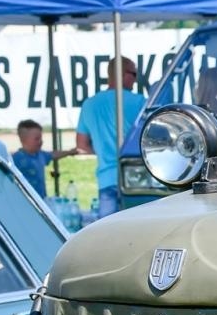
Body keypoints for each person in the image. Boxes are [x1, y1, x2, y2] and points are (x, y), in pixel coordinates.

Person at [75, 56, 149, 216]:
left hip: (106, 179)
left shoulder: (89, 104)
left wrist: (103, 151)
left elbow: (81, 145)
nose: (135, 79)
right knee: (139, 227)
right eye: (134, 74)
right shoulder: (139, 102)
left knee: (109, 229)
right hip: (136, 177)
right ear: (122, 74)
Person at [11, 117, 76, 198]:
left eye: (41, 138)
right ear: (23, 139)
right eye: (37, 139)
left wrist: (70, 152)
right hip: (24, 200)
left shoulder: (40, 155)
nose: (41, 141)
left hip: (40, 200)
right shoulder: (15, 159)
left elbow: (54, 154)